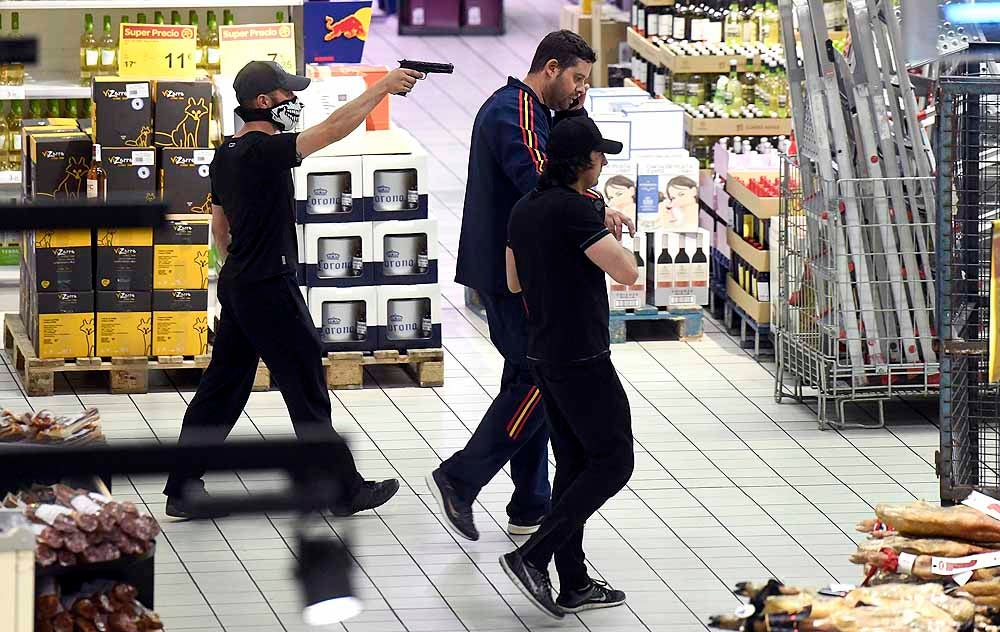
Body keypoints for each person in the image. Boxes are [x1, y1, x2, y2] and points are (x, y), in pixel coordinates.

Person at [163, 60, 424, 519]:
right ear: (262, 103)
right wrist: (381, 87)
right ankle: (343, 489)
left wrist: (240, 269)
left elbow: (219, 229)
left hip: (241, 282)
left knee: (223, 386)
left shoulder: (225, 153)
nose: (294, 102)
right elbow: (334, 129)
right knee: (305, 384)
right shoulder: (263, 151)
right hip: (268, 285)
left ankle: (183, 486)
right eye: (287, 95)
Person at [429, 30, 632, 542]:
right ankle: (461, 475)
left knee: (525, 379)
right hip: (512, 275)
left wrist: (572, 113)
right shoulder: (514, 109)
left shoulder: (540, 110)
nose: (580, 89)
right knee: (541, 382)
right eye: (577, 78)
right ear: (549, 68)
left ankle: (530, 500)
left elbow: (563, 159)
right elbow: (542, 179)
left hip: (515, 268)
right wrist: (596, 210)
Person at [500, 117, 636, 619]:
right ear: (583, 161)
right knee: (614, 461)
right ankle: (532, 556)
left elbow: (514, 283)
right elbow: (625, 271)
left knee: (575, 466)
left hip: (543, 356)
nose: (603, 162)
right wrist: (602, 224)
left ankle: (574, 581)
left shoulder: (524, 208)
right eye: (600, 155)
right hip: (582, 356)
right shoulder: (578, 211)